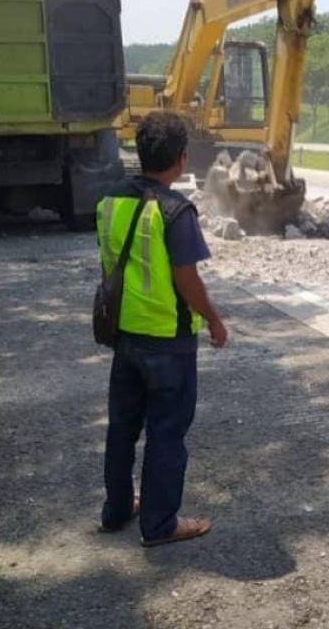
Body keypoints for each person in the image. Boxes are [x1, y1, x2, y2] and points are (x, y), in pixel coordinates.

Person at [96, 111, 229, 547]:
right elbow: (187, 279)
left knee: (122, 427)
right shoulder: (176, 212)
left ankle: (116, 511)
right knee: (167, 432)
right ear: (181, 159)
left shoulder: (110, 201)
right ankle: (159, 524)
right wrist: (213, 318)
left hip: (125, 335)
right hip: (169, 342)